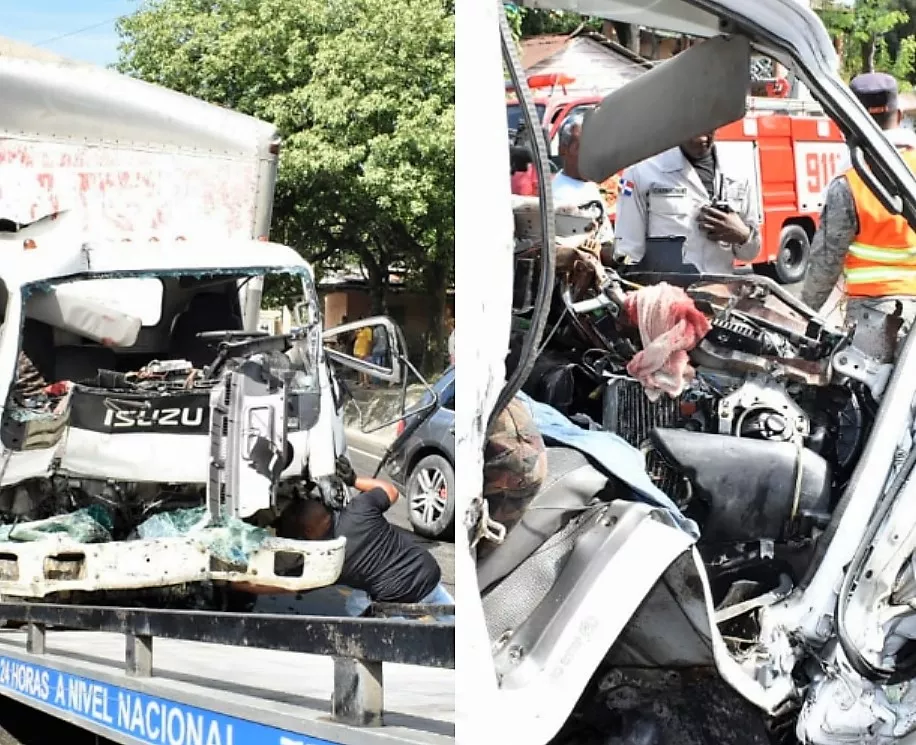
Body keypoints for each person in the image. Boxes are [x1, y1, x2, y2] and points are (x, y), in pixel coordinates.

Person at [801, 72, 916, 332]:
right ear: (898, 117)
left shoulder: (849, 182)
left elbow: (826, 262)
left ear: (849, 123)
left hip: (875, 317)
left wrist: (804, 315)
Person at [278, 457, 453, 618]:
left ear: (308, 532)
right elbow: (391, 491)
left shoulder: (329, 559)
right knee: (454, 624)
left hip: (398, 597)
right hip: (426, 571)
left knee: (356, 606)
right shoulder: (359, 509)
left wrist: (258, 581)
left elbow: (298, 585)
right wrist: (353, 480)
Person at [614, 131, 761, 274]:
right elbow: (627, 251)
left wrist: (743, 236)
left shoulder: (738, 172)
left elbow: (750, 254)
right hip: (668, 294)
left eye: (708, 126)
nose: (701, 137)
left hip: (720, 292)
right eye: (694, 128)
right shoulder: (639, 172)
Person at [552, 113, 615, 245]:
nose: (588, 153)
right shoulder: (558, 195)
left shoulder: (589, 185)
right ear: (563, 150)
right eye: (579, 147)